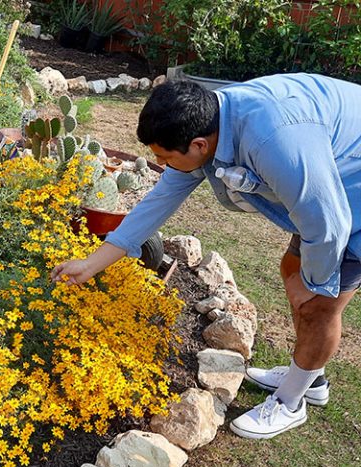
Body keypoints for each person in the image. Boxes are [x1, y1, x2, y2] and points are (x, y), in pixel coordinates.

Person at [51, 74, 361, 440]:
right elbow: (157, 202)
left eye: (164, 157)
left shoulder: (274, 141)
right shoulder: (210, 119)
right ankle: (311, 377)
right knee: (292, 270)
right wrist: (91, 263)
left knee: (318, 306)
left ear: (198, 145)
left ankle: (291, 402)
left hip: (349, 203)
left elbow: (329, 228)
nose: (160, 163)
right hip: (329, 181)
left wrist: (314, 285)